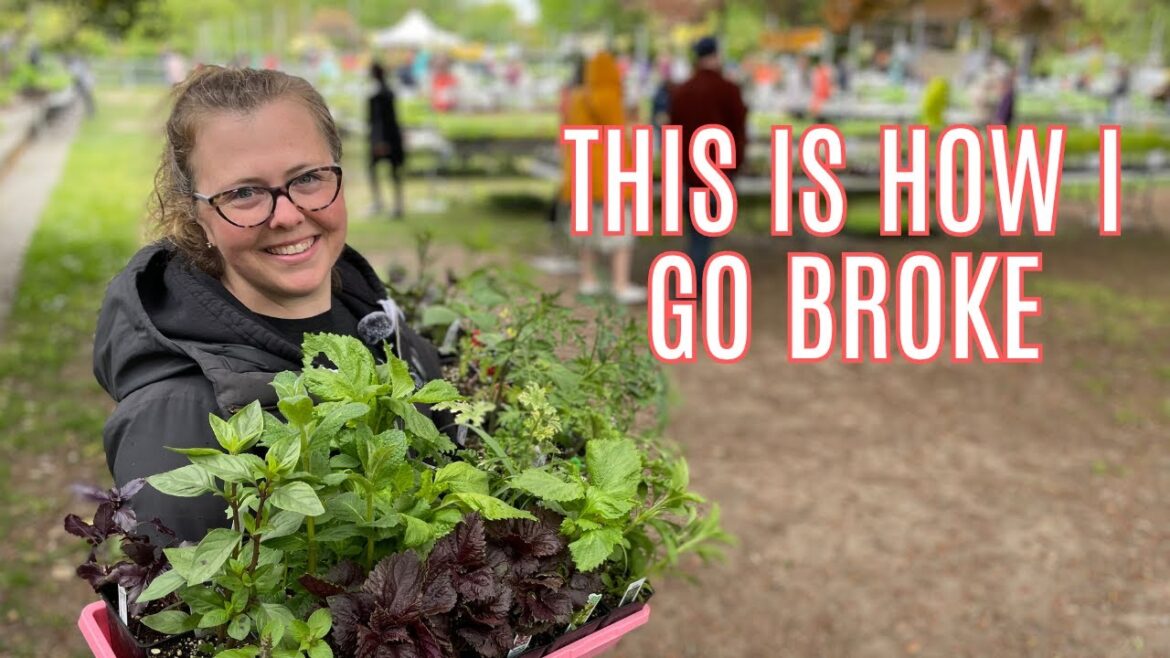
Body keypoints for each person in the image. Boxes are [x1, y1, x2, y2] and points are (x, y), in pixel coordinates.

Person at [93, 66, 447, 542]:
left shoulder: (376, 322)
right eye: (243, 193)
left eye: (308, 178)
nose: (286, 215)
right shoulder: (175, 423)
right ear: (196, 213)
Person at [561, 51, 645, 304]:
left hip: (583, 170)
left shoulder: (577, 97)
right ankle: (620, 284)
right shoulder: (611, 97)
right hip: (612, 172)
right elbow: (622, 132)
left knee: (586, 230)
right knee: (621, 233)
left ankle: (588, 279)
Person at [669, 36, 748, 286]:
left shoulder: (682, 91)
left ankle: (694, 276)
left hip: (689, 171)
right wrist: (735, 166)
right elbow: (739, 131)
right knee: (705, 232)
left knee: (697, 230)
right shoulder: (729, 90)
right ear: (716, 55)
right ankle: (695, 281)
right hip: (719, 172)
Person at [367, 61, 406, 218]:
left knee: (376, 171)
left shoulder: (378, 95)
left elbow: (378, 121)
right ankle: (395, 205)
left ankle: (381, 203)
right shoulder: (388, 92)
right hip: (392, 136)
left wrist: (379, 141)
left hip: (382, 138)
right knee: (393, 172)